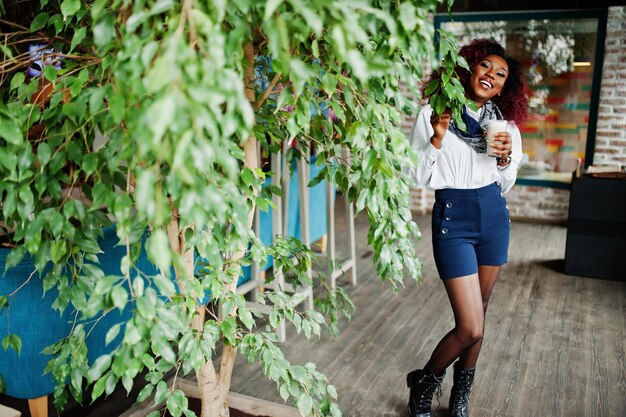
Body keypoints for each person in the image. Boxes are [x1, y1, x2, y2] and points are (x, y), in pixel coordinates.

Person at [405, 39, 530, 417]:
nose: (491, 76)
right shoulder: (433, 113)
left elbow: (505, 183)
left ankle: (462, 392)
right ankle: (425, 381)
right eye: (485, 67)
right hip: (453, 217)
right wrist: (438, 139)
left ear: (506, 86)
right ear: (469, 68)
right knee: (471, 326)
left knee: (483, 309)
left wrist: (506, 157)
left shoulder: (505, 126)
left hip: (493, 215)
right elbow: (416, 175)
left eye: (501, 74)